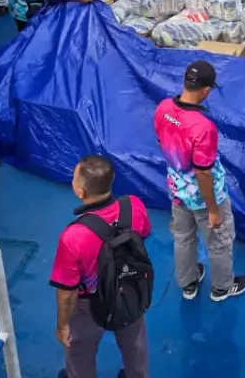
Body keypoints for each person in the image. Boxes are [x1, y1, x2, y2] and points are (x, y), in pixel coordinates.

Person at [153, 61, 245, 302]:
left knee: (183, 239)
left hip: (177, 191)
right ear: (206, 90)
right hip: (203, 197)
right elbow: (203, 172)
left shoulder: (163, 108)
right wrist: (213, 209)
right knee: (218, 242)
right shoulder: (203, 127)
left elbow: (161, 142)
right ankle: (222, 288)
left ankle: (188, 284)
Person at [50, 155, 151, 378]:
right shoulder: (134, 206)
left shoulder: (73, 237)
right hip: (129, 289)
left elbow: (67, 292)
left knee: (79, 353)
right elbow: (142, 235)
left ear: (80, 192)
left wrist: (63, 325)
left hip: (90, 304)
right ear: (112, 179)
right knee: (135, 345)